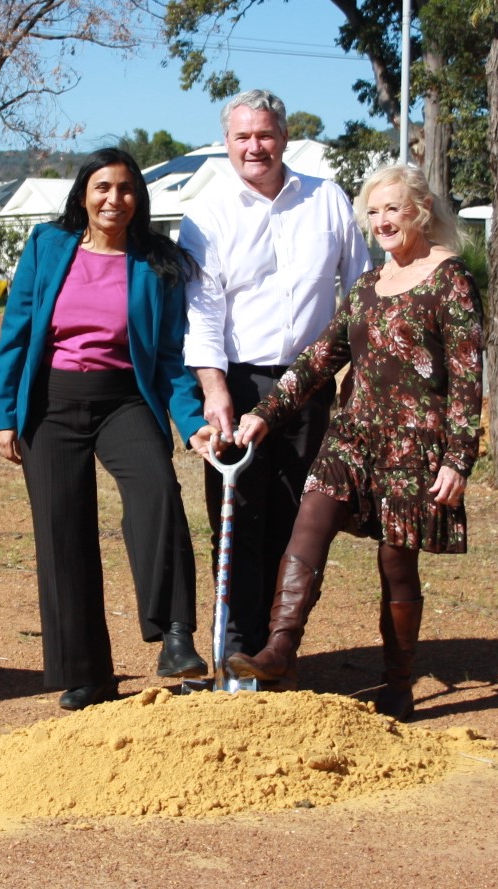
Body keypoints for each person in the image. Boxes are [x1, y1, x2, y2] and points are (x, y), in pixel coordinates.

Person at [193, 164, 484, 720]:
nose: (382, 221)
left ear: (420, 210)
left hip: (414, 447)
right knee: (310, 521)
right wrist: (263, 416)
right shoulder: (368, 285)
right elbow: (319, 359)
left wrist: (458, 459)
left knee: (396, 564)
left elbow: (469, 378)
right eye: (373, 212)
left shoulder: (451, 280)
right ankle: (281, 648)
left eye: (394, 209)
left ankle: (398, 684)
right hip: (352, 436)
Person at [0, 147, 209, 710]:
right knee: (63, 532)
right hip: (52, 402)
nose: (115, 199)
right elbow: (16, 330)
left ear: (140, 198)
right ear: (84, 195)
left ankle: (175, 634)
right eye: (103, 188)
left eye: (127, 189)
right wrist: (4, 415)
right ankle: (85, 672)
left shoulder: (156, 264)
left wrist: (191, 422)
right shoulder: (47, 245)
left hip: (124, 400)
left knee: (157, 492)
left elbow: (169, 357)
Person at [177, 89, 371, 664]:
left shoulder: (328, 200)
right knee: (236, 520)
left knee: (299, 521)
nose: (254, 147)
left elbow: (359, 293)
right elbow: (203, 313)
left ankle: (277, 651)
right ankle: (233, 649)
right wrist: (215, 393)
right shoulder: (206, 214)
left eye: (264, 134)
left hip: (311, 385)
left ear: (283, 137)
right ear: (227, 143)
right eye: (242, 137)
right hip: (238, 386)